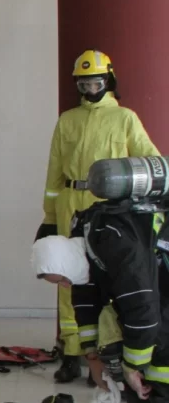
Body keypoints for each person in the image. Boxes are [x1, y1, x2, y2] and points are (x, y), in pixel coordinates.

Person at [37, 49, 159, 384]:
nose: (91, 88)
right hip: (71, 206)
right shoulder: (67, 120)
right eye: (85, 83)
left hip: (112, 211)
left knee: (107, 282)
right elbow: (54, 174)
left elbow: (149, 160)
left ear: (109, 81)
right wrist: (49, 219)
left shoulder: (125, 118)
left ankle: (104, 353)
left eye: (97, 82)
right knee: (69, 282)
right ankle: (72, 353)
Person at [32, 198, 169, 403]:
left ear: (65, 266)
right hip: (153, 284)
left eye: (60, 279)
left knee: (161, 347)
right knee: (124, 339)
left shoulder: (114, 245)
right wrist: (93, 357)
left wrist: (133, 366)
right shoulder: (83, 248)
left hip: (161, 288)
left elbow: (142, 310)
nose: (64, 285)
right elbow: (85, 303)